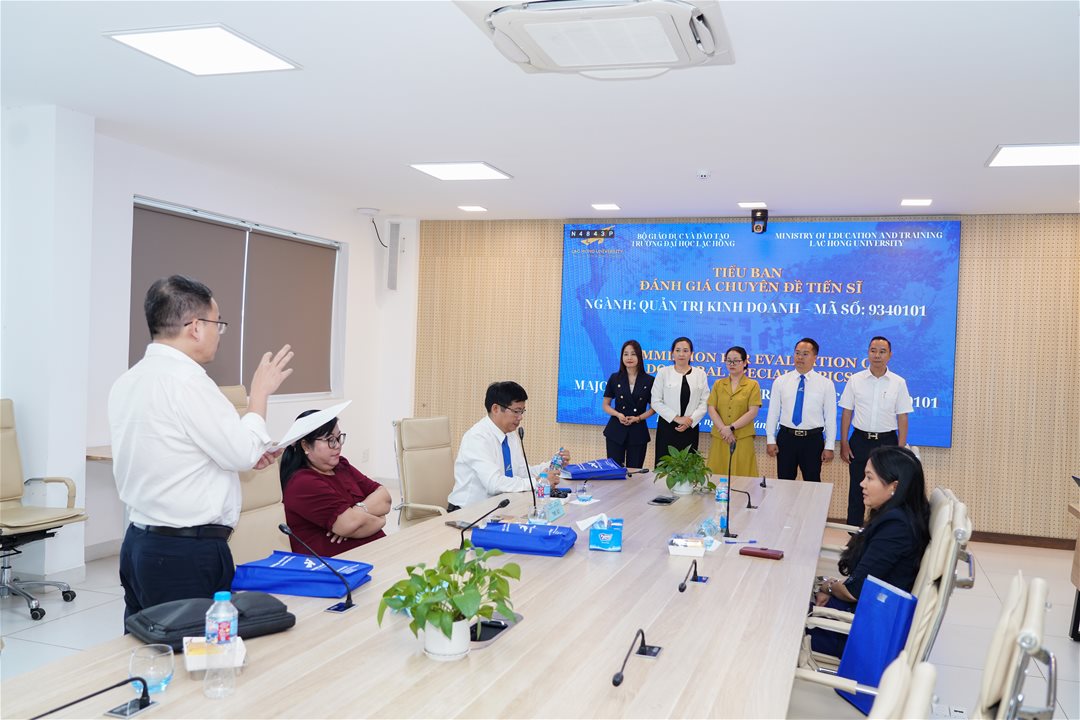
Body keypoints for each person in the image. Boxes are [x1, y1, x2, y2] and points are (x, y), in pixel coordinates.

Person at [110, 275, 293, 619]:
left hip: (139, 545)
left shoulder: (128, 381)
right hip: (184, 553)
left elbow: (177, 451)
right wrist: (260, 395)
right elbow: (240, 452)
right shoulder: (188, 382)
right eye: (217, 324)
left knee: (148, 642)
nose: (219, 334)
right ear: (195, 327)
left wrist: (244, 453)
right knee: (194, 645)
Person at [808, 446, 931, 656]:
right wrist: (829, 587)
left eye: (869, 478)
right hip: (858, 617)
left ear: (894, 486)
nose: (862, 484)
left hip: (857, 633)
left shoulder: (896, 527)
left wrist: (827, 586)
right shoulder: (898, 516)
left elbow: (853, 591)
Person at [280, 411, 391, 557]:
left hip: (373, 552)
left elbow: (385, 498)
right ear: (306, 446)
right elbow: (351, 525)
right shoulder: (303, 482)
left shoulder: (341, 466)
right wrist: (381, 519)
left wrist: (357, 511)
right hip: (338, 564)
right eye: (330, 440)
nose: (337, 445)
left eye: (339, 438)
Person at [448, 381, 571, 511]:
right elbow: (494, 484)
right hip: (467, 513)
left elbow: (522, 473)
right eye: (516, 411)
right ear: (495, 409)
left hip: (499, 509)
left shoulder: (510, 435)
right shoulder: (477, 437)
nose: (520, 417)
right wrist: (538, 483)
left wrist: (553, 464)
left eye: (522, 411)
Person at [839, 336, 914, 525]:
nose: (877, 355)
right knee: (857, 489)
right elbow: (847, 412)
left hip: (887, 442)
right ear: (868, 353)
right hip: (859, 440)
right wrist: (844, 442)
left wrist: (900, 449)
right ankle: (854, 533)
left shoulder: (898, 382)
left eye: (882, 351)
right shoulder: (855, 380)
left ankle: (883, 529)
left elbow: (903, 417)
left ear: (890, 355)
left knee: (886, 490)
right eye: (873, 351)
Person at [765, 338, 837, 482]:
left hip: (812, 440)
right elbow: (773, 413)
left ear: (815, 357)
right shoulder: (781, 381)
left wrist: (829, 446)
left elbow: (830, 417)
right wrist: (770, 439)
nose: (800, 357)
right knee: (784, 483)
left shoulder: (826, 384)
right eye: (797, 353)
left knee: (812, 483)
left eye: (805, 354)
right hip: (787, 438)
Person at [651, 336, 711, 466]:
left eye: (685, 350)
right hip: (668, 426)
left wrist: (690, 420)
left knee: (688, 467)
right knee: (665, 466)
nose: (681, 354)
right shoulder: (663, 372)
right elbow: (655, 401)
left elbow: (704, 401)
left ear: (691, 353)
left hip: (690, 427)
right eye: (678, 350)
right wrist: (677, 418)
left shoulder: (700, 374)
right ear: (672, 353)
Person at [706, 346, 762, 476]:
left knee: (742, 475)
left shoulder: (753, 385)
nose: (732, 364)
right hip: (721, 436)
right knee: (717, 475)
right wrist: (723, 429)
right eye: (729, 360)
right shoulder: (718, 384)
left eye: (736, 360)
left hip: (742, 437)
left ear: (744, 362)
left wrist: (731, 428)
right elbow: (711, 408)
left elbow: (753, 412)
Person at [602, 340, 655, 468]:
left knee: (635, 471)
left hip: (638, 431)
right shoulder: (615, 378)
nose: (629, 357)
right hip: (616, 430)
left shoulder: (649, 380)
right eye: (626, 354)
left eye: (633, 354)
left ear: (639, 357)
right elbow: (605, 405)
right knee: (614, 470)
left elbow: (654, 408)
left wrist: (638, 418)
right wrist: (618, 414)